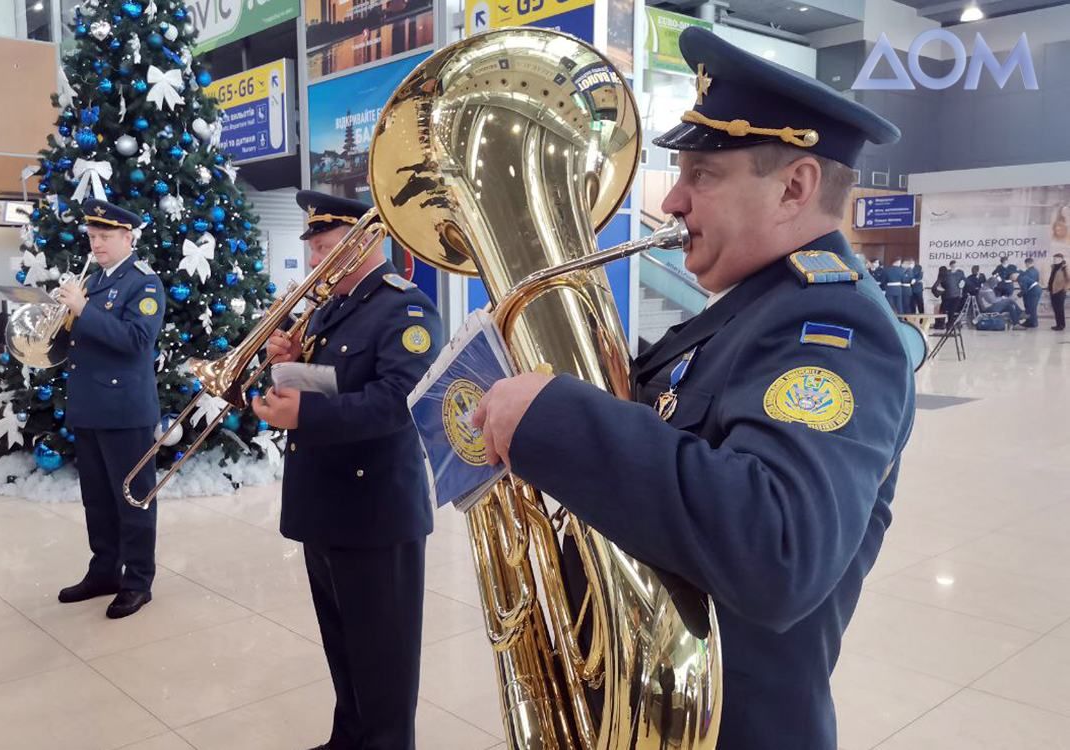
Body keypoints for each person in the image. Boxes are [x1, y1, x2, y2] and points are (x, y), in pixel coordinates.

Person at [471, 27, 917, 750]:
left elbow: (779, 551)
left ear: (795, 187)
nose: (672, 200)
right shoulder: (752, 309)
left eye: (701, 174)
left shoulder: (830, 323)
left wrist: (558, 418)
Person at [253, 190, 442, 750]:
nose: (316, 263)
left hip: (376, 509)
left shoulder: (405, 308)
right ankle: (349, 738)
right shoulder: (332, 306)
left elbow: (402, 400)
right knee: (343, 642)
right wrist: (286, 365)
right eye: (312, 250)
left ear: (366, 241)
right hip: (326, 500)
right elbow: (335, 380)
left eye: (326, 249)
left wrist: (304, 410)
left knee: (383, 658)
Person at [54, 199, 165, 619]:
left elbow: (137, 340)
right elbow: (84, 338)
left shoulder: (144, 284)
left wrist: (84, 310)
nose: (95, 244)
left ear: (127, 237)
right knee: (97, 499)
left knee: (132, 499)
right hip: (90, 404)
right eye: (92, 236)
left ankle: (138, 580)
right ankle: (104, 571)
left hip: (124, 409)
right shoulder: (96, 280)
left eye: (104, 237)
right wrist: (67, 316)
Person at [1016, 257, 1042, 328]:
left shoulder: (1028, 272)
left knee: (1030, 307)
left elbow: (1024, 284)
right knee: (1032, 308)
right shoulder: (1036, 271)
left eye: (1026, 264)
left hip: (1030, 292)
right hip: (1034, 290)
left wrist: (1019, 295)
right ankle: (1031, 322)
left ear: (1027, 263)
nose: (1026, 265)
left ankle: (1032, 323)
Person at [1049, 252, 1068, 331]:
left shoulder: (1064, 268)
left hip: (1060, 291)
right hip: (1053, 291)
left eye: (1056, 259)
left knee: (1060, 309)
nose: (1054, 260)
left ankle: (1061, 325)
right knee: (1056, 308)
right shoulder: (1054, 267)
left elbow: (1068, 279)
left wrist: (1065, 288)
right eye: (1054, 258)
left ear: (1061, 259)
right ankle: (1058, 324)